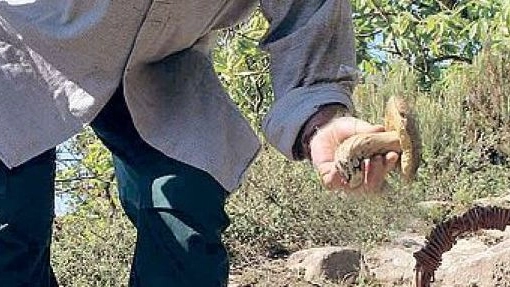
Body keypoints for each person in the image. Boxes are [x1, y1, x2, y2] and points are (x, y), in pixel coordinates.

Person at [0, 0, 397, 286]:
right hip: (22, 40)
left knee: (185, 203)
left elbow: (308, 11)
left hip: (160, 62)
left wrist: (320, 115)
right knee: (9, 231)